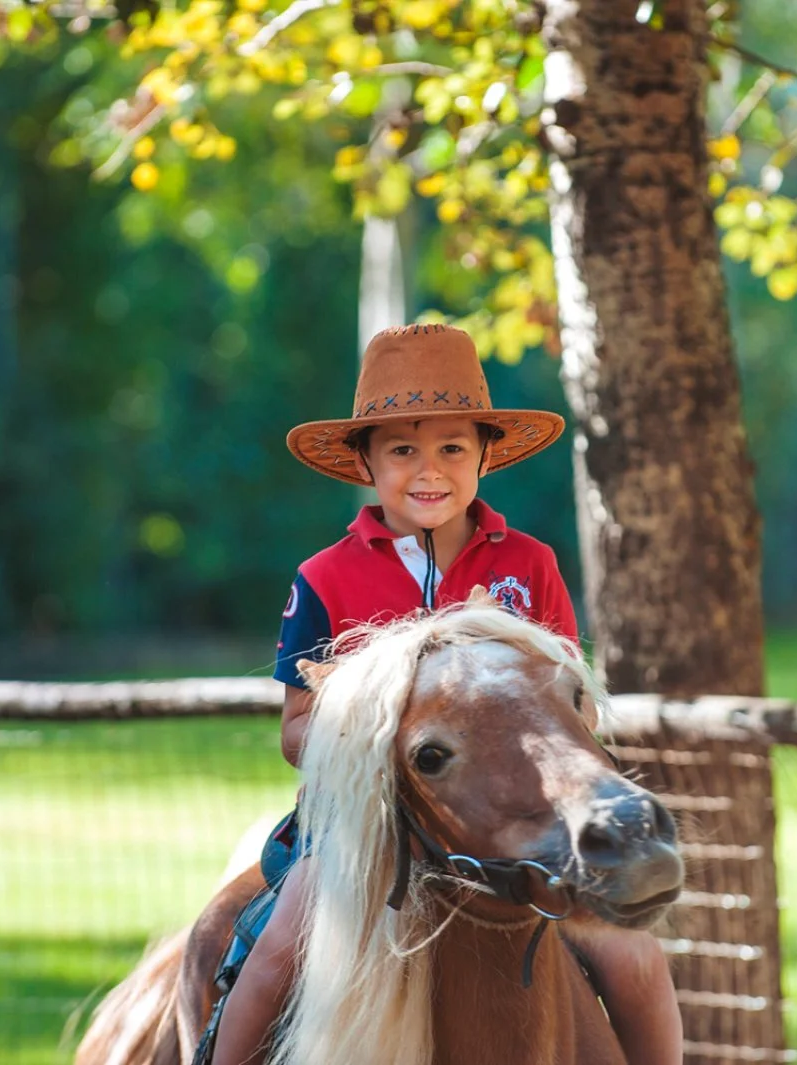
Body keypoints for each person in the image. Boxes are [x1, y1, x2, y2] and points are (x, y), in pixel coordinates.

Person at [208, 324, 682, 1065]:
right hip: (372, 826)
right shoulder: (324, 577)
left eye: (453, 449)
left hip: (517, 818)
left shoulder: (531, 562)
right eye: (402, 450)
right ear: (365, 460)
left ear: (485, 455)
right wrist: (378, 722)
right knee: (272, 954)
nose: (429, 471)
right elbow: (297, 731)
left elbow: (572, 706)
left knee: (636, 958)